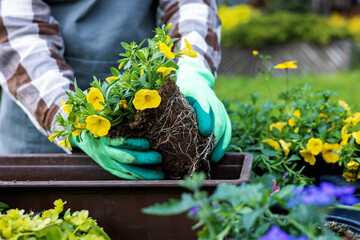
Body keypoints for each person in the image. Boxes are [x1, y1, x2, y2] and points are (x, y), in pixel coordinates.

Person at [0, 0, 231, 179]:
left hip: (148, 111)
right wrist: (72, 120)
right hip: (43, 120)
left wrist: (192, 70)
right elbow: (19, 32)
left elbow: (189, 5)